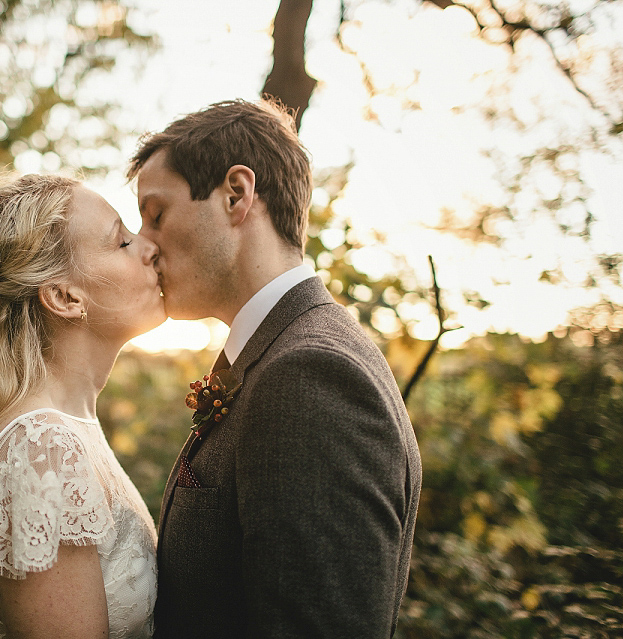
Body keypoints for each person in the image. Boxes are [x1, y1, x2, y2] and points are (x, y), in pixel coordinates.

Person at [127, 99, 423, 638]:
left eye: (156, 214)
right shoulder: (278, 354)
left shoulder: (309, 376)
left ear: (236, 195)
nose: (144, 246)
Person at [0, 172, 165, 639]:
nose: (150, 246)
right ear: (65, 297)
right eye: (122, 241)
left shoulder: (54, 432)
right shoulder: (39, 449)